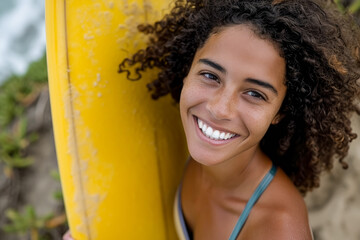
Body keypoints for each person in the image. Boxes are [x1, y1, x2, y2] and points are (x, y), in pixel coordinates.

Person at [64, 0, 360, 239]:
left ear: (280, 111)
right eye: (209, 75)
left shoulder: (278, 230)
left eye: (255, 94)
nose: (220, 109)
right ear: (186, 69)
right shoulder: (183, 137)